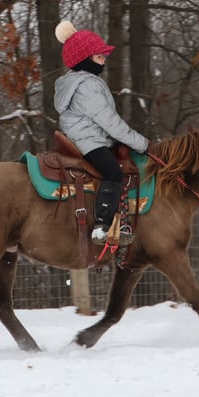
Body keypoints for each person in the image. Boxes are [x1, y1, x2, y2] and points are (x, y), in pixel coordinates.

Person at [54, 20, 150, 244]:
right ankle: (102, 226)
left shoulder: (75, 83)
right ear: (85, 59)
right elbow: (110, 122)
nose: (104, 59)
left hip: (84, 138)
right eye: (99, 55)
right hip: (89, 141)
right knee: (114, 173)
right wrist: (143, 144)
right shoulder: (87, 85)